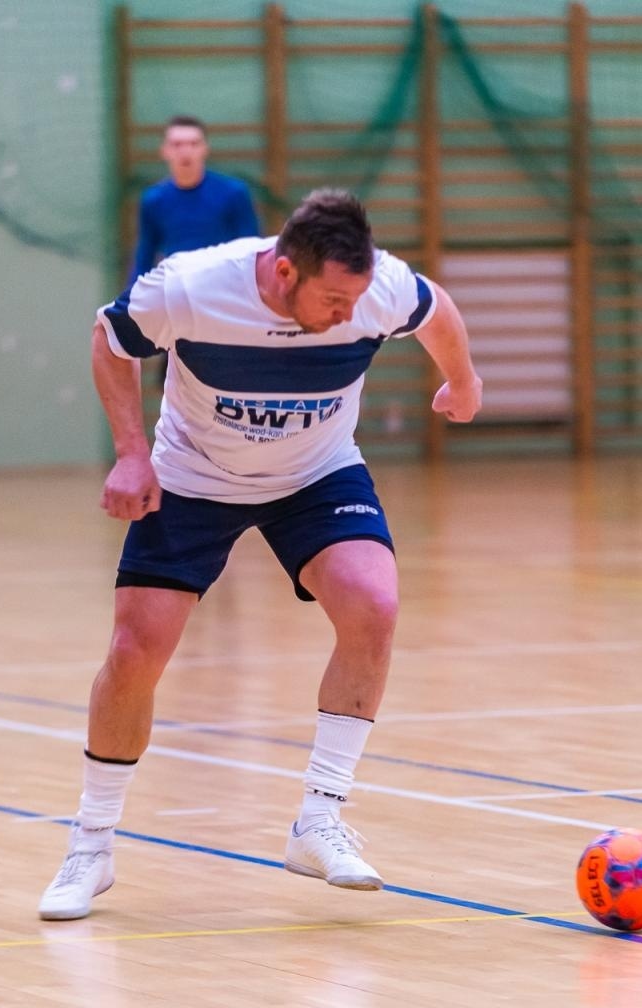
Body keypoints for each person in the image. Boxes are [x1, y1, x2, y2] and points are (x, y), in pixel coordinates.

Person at [38, 188, 482, 920]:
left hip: (315, 472)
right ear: (283, 273)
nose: (349, 313)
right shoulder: (190, 287)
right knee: (135, 649)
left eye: (358, 297)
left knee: (374, 604)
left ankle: (318, 820)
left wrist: (461, 381)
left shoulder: (379, 289)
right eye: (334, 299)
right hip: (193, 476)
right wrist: (128, 453)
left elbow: (435, 311)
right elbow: (110, 340)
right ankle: (91, 843)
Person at [130, 115, 262, 283]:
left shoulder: (234, 193)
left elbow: (251, 251)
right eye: (177, 144)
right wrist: (129, 303)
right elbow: (144, 257)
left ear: (205, 148)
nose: (186, 151)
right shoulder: (153, 200)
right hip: (176, 290)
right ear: (164, 151)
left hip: (224, 288)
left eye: (194, 143)